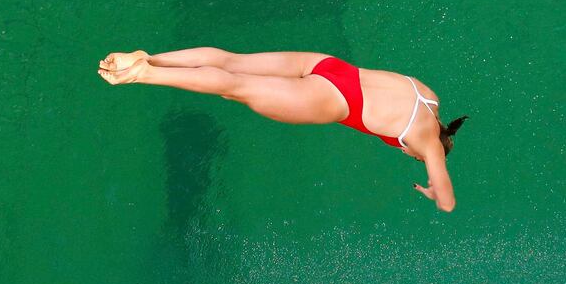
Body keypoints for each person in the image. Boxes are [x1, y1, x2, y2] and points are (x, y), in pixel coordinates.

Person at [98, 47, 467, 211]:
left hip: (329, 66)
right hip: (331, 97)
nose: (407, 152)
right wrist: (436, 191)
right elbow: (449, 201)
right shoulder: (426, 141)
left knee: (233, 62)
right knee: (233, 86)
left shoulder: (428, 96)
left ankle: (149, 57)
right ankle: (144, 73)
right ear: (432, 144)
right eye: (412, 155)